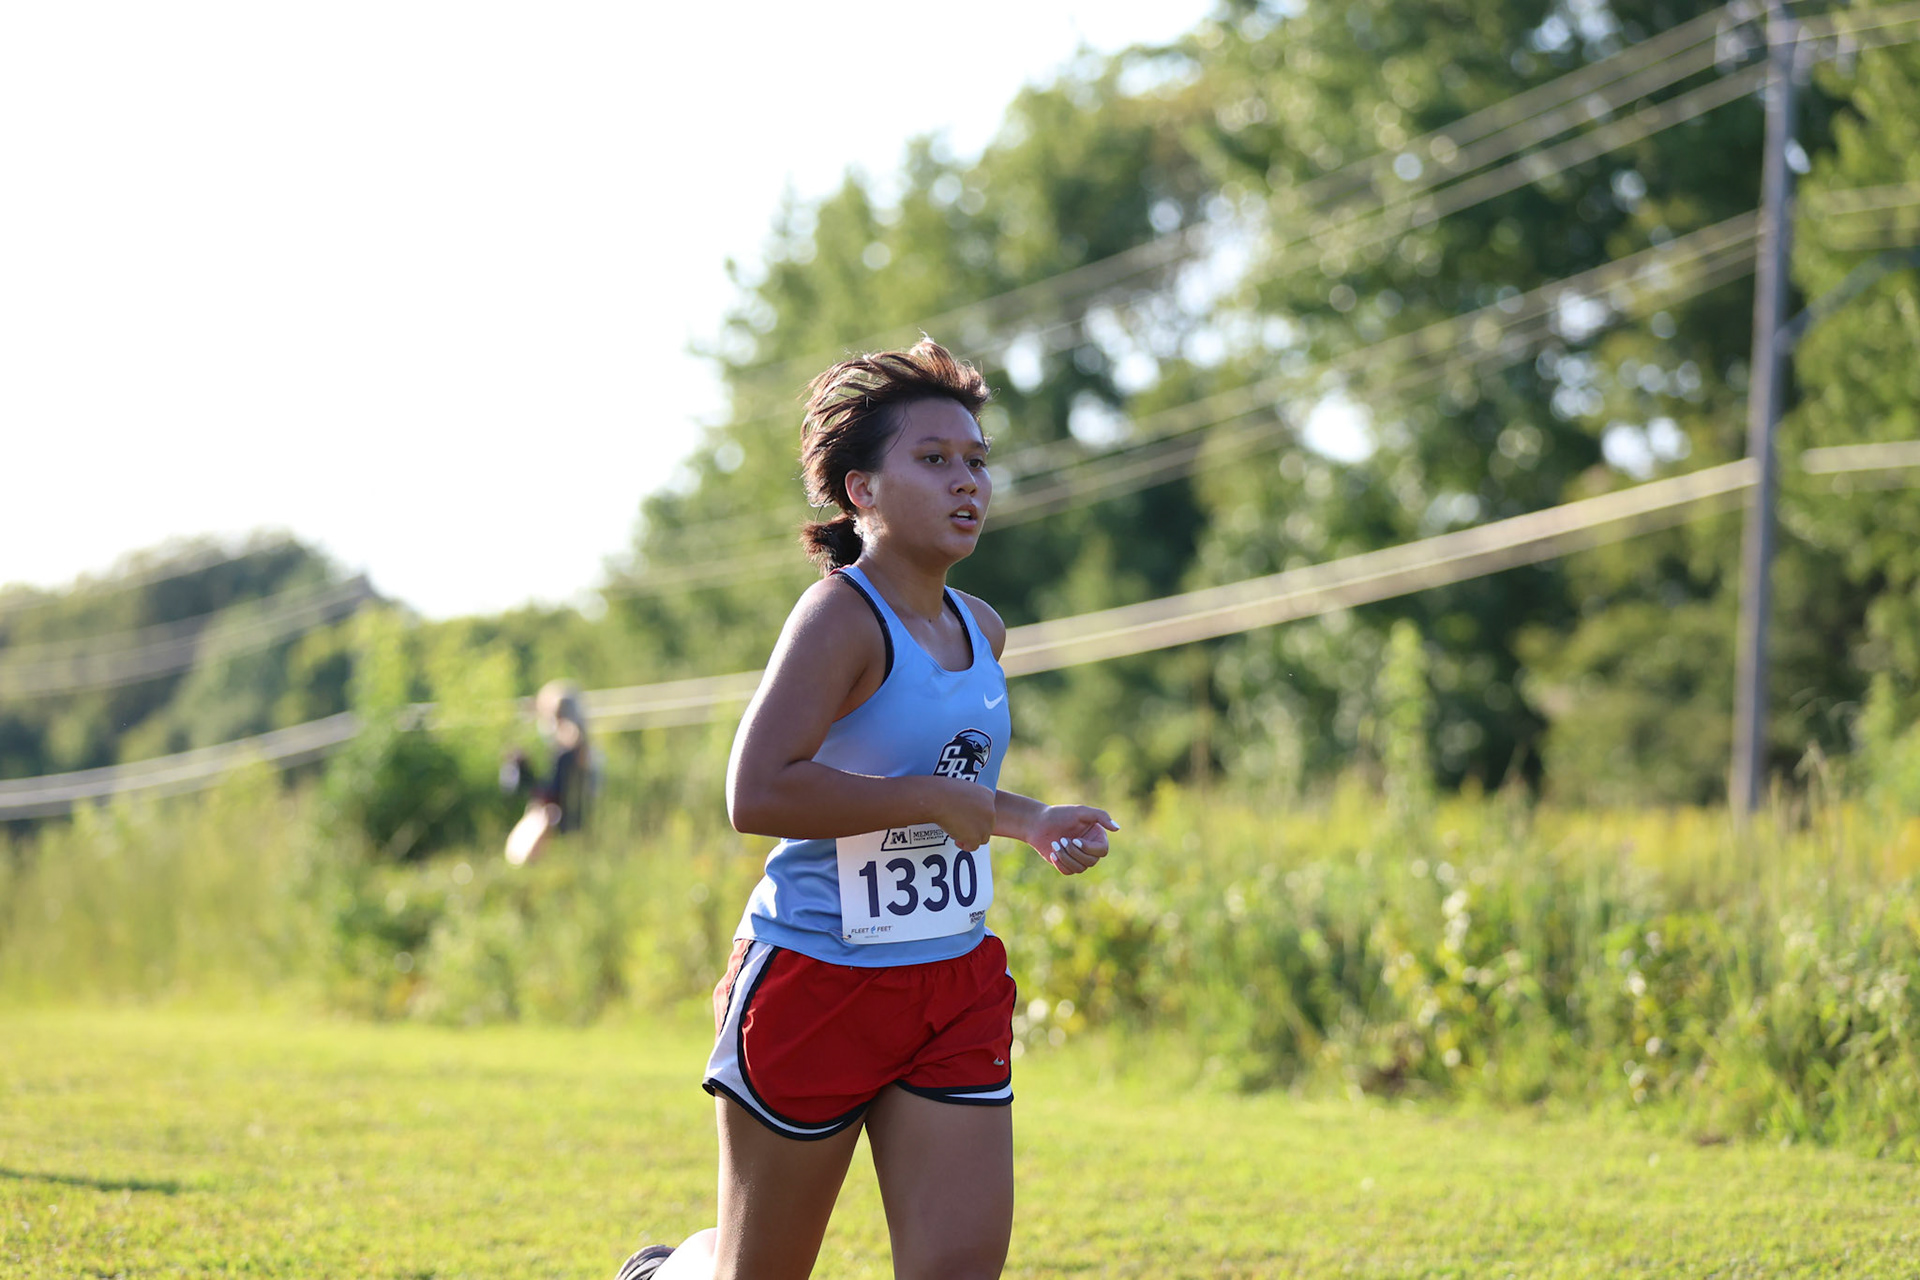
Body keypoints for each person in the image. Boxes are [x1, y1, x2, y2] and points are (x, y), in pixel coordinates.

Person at [617, 340, 1117, 1280]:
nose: (967, 481)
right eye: (932, 460)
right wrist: (922, 801)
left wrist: (1034, 821)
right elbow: (756, 791)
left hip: (950, 980)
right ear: (862, 492)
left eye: (976, 460)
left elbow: (955, 785)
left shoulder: (982, 626)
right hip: (816, 977)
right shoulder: (838, 619)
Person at [501, 679, 592, 864]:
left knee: (525, 849)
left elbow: (560, 791)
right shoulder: (561, 744)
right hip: (552, 805)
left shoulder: (573, 743)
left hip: (559, 811)